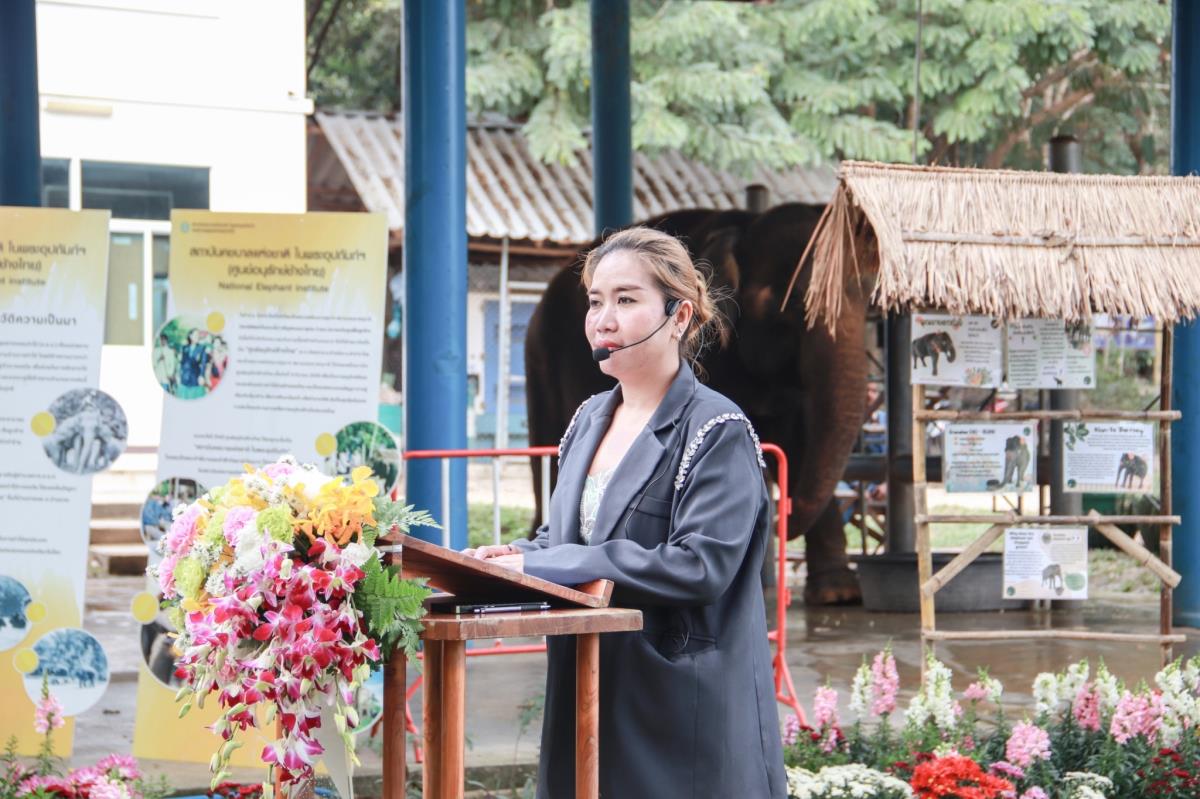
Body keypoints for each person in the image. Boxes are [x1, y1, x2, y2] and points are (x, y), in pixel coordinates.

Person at [466, 227, 787, 798]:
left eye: (626, 300)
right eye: (596, 302)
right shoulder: (588, 419)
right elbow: (570, 536)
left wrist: (547, 563)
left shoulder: (717, 429)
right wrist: (517, 555)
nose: (603, 320)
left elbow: (700, 566)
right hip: (586, 683)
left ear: (679, 316)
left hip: (678, 708)